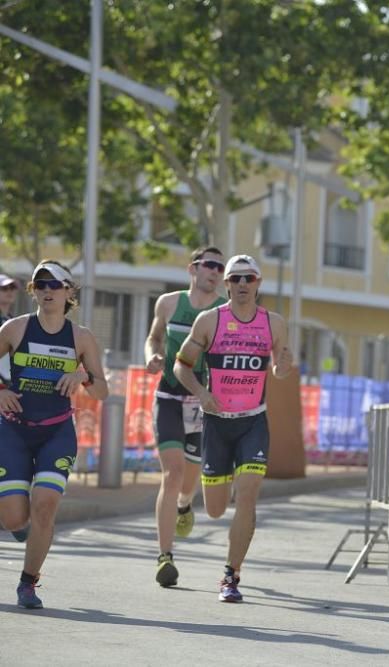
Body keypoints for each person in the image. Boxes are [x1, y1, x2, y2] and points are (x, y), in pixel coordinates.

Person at [173, 254, 294, 602]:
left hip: (253, 421)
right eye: (236, 278)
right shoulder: (210, 321)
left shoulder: (274, 323)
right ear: (226, 284)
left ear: (258, 284)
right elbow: (183, 366)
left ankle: (231, 575)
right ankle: (194, 504)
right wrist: (201, 393)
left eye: (249, 278)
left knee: (248, 493)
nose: (243, 284)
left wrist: (284, 366)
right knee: (214, 508)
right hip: (216, 424)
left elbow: (279, 369)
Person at [0, 261, 108, 609]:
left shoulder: (82, 338)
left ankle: (28, 584)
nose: (47, 291)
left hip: (56, 433)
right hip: (13, 431)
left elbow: (102, 391)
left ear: (69, 292)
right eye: (39, 284)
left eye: (54, 284)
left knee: (45, 507)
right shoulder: (15, 329)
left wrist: (83, 378)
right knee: (15, 518)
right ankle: (22, 529)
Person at [145, 246, 227, 587]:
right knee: (172, 473)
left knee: (188, 483)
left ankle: (183, 506)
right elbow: (154, 337)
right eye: (210, 265)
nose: (216, 271)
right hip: (168, 397)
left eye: (220, 267)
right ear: (193, 268)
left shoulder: (223, 312)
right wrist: (152, 355)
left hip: (203, 403)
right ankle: (165, 557)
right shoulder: (168, 303)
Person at [0, 274, 20, 386]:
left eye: (12, 288)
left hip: (8, 381)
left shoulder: (13, 320)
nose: (9, 291)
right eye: (4, 288)